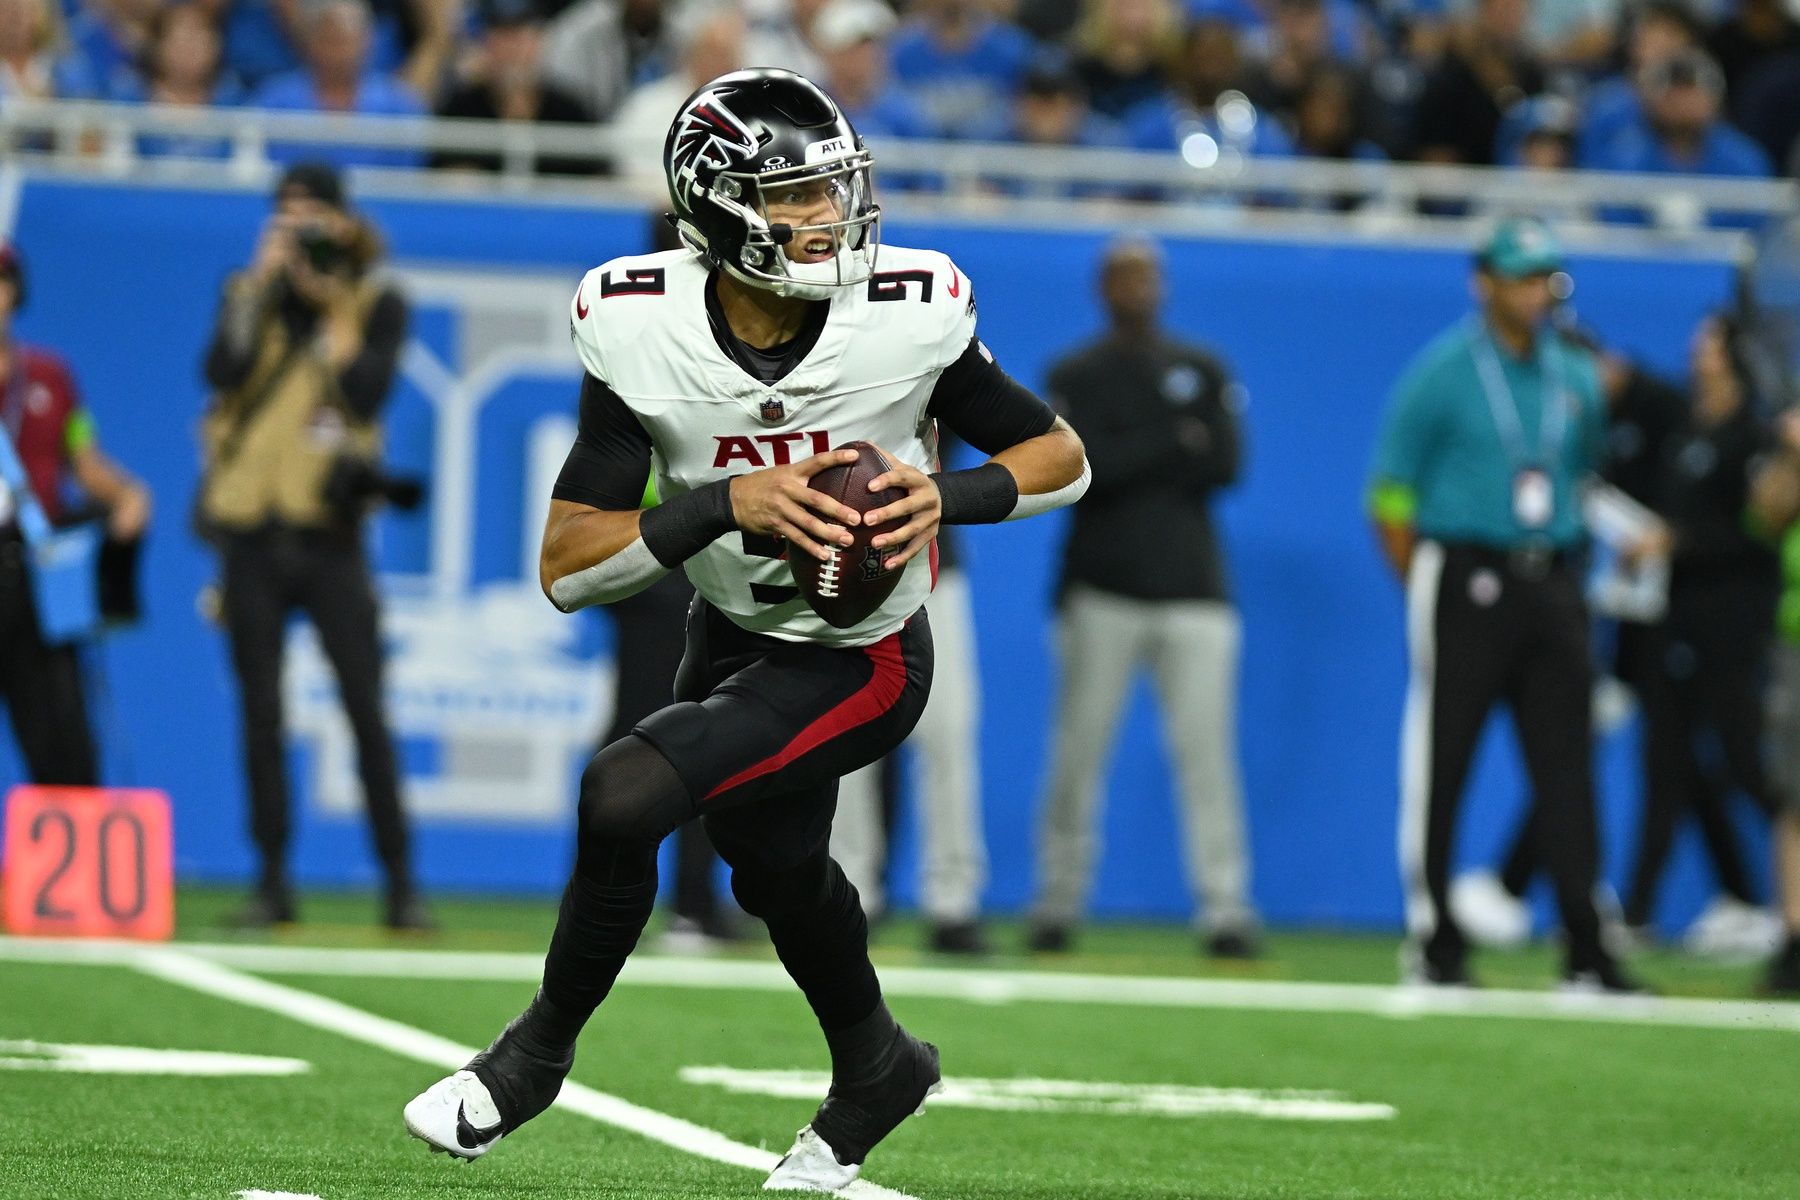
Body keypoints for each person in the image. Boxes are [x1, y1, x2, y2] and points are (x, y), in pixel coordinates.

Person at [403, 68, 1089, 1190]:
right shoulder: (640, 325)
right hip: (731, 624)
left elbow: (1062, 456)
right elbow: (568, 566)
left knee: (623, 792)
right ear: (719, 207)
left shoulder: (905, 316)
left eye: (836, 191)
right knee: (772, 870)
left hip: (864, 649)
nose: (832, 217)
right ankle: (878, 1065)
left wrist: (945, 496)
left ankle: (532, 1058)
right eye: (800, 196)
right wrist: (723, 501)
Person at [1367, 216, 1640, 992]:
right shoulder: (1444, 370)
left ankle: (1587, 948)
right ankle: (1435, 943)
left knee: (1568, 766)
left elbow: (1579, 479)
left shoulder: (1576, 375)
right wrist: (1422, 577)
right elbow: (1389, 489)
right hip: (1464, 570)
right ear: (1482, 283)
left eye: (1546, 278)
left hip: (1552, 576)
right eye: (1521, 277)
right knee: (1443, 759)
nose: (1535, 292)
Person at [198, 162, 432, 932]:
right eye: (285, 220)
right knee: (258, 714)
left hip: (332, 538)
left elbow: (365, 391)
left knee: (366, 708)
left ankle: (400, 885)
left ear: (341, 223)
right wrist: (262, 285)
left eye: (312, 221)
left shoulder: (375, 300)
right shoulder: (250, 295)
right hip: (253, 536)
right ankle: (272, 882)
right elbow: (221, 371)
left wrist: (333, 302)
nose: (298, 237)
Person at [1027, 238, 1260, 960]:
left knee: (1208, 758)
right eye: (1126, 277)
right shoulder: (1074, 373)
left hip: (1196, 591)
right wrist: (1170, 440)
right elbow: (1083, 469)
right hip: (1102, 589)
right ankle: (1057, 902)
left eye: (1149, 276)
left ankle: (1225, 910)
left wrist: (1135, 445)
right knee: (1077, 755)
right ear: (1102, 288)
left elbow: (1225, 463)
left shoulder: (1202, 365)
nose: (1140, 288)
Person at [0, 238, 149, 786]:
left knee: (62, 734)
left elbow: (82, 460)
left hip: (38, 564)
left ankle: (73, 863)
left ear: (15, 294)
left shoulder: (50, 377)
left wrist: (127, 493)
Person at [830, 518, 988, 955]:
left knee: (947, 736)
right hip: (841, 565)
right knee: (843, 737)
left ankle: (953, 901)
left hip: (929, 564)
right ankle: (850, 894)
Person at [1748, 406, 1800, 994]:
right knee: (1793, 795)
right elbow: (1768, 514)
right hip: (1795, 647)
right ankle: (1794, 938)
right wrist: (1792, 453)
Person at [250, 0, 427, 170]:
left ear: (368, 42)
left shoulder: (399, 105)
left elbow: (408, 174)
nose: (340, 52)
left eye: (347, 40)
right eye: (330, 39)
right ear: (311, 41)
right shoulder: (274, 99)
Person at [431, 0, 596, 176]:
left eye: (522, 36)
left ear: (541, 41)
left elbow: (598, 182)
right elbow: (438, 178)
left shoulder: (570, 113)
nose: (513, 49)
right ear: (486, 43)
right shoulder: (460, 110)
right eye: (502, 36)